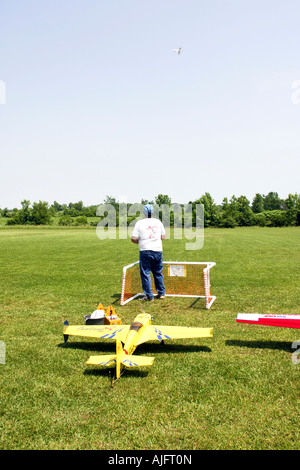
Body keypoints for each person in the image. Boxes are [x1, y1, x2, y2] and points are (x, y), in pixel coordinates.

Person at [131, 203, 166, 301]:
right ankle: (161, 293)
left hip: (145, 250)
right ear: (153, 212)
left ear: (144, 212)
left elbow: (134, 238)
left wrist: (141, 241)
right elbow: (163, 236)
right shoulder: (158, 222)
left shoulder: (139, 223)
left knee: (145, 273)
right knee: (158, 272)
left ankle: (149, 296)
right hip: (158, 250)